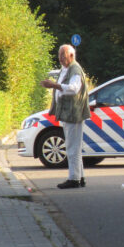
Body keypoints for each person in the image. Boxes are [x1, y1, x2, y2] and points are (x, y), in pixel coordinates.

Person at [40, 44, 90, 189]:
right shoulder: (66, 68)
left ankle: (74, 179)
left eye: (63, 55)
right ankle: (79, 177)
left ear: (71, 56)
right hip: (68, 112)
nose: (60, 58)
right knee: (74, 146)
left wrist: (54, 86)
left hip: (73, 112)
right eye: (59, 55)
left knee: (72, 147)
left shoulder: (74, 69)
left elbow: (74, 89)